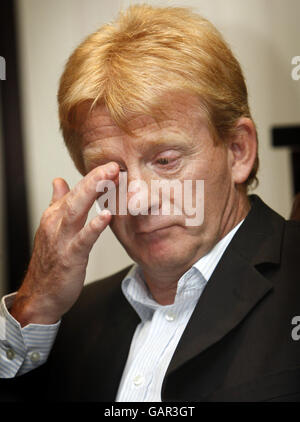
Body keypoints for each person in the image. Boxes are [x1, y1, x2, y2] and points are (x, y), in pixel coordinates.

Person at [0, 4, 299, 402]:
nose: (137, 199)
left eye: (165, 160)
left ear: (238, 151)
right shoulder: (65, 322)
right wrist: (34, 304)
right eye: (112, 171)